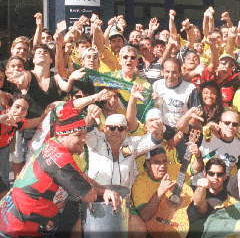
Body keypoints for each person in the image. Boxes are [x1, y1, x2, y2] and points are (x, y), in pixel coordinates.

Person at [0, 101, 120, 237]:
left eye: (84, 134)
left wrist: (103, 189)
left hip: (12, 214)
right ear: (63, 135)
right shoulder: (60, 160)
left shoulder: (52, 144)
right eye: (78, 135)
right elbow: (89, 195)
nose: (83, 140)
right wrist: (104, 191)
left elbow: (80, 177)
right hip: (19, 226)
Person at [131, 147, 195, 238]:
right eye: (157, 162)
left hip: (178, 224)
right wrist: (160, 191)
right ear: (148, 164)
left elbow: (196, 168)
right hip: (155, 226)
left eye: (164, 161)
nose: (162, 165)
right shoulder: (140, 183)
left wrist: (198, 155)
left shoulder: (173, 169)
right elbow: (144, 216)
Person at [188, 158, 239, 235]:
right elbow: (197, 203)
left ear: (225, 176)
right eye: (211, 174)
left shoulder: (231, 183)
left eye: (219, 174)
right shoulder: (200, 189)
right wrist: (201, 187)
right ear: (205, 174)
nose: (215, 177)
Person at [152, 58, 196, 134]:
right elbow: (154, 108)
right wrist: (156, 101)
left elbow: (195, 116)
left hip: (181, 133)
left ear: (179, 73)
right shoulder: (156, 85)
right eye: (167, 72)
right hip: (160, 130)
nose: (170, 75)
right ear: (162, 72)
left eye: (174, 72)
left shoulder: (190, 89)